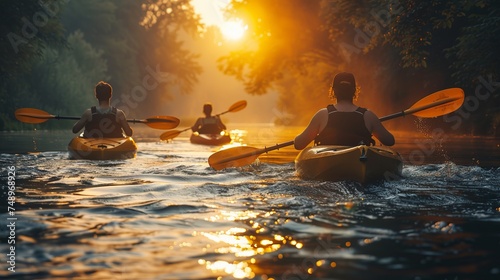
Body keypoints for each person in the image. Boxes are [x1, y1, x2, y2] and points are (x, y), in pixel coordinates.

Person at [294, 72, 395, 150]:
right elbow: (390, 141)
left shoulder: (322, 115)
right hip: (360, 158)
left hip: (329, 164)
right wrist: (374, 125)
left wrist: (314, 134)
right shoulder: (368, 116)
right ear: (354, 91)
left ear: (333, 91)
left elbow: (298, 144)